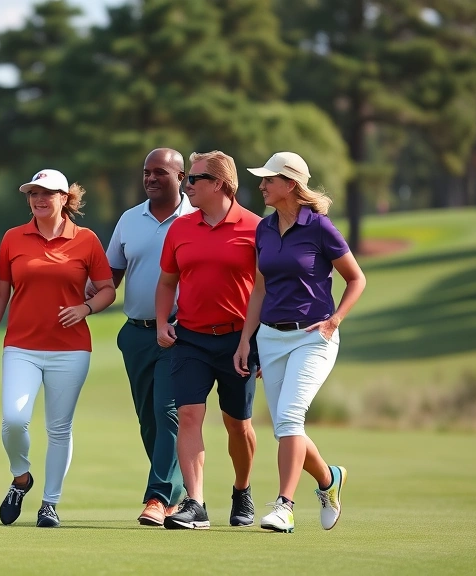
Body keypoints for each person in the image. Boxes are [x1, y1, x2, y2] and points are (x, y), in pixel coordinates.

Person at [234, 151, 367, 533]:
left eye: (268, 179)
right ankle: (329, 480)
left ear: (290, 184)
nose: (261, 185)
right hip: (271, 337)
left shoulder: (320, 228)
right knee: (285, 428)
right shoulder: (263, 228)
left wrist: (335, 319)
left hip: (313, 336)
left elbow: (356, 278)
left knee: (291, 419)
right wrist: (247, 340)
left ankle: (284, 506)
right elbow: (259, 289)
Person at [0, 169, 116, 528]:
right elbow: (1, 294)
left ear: (64, 198)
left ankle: (50, 504)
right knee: (13, 420)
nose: (39, 199)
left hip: (71, 350)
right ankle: (21, 477)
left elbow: (106, 289)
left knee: (59, 428)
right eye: (33, 193)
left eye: (47, 193)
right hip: (21, 345)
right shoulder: (12, 238)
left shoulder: (86, 240)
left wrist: (85, 308)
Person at [155, 151, 261, 530]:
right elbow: (167, 281)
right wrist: (162, 322)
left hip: (238, 342)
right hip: (191, 340)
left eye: (194, 179)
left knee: (238, 425)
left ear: (218, 183)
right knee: (188, 415)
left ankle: (242, 488)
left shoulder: (255, 228)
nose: (187, 186)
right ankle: (196, 502)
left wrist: (256, 341)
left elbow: (265, 291)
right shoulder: (180, 228)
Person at [98, 148, 196, 526]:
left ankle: (157, 497)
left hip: (178, 332)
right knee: (149, 421)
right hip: (136, 334)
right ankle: (177, 496)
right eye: (146, 173)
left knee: (166, 412)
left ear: (181, 178)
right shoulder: (129, 218)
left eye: (159, 172)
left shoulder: (195, 218)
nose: (151, 178)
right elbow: (111, 275)